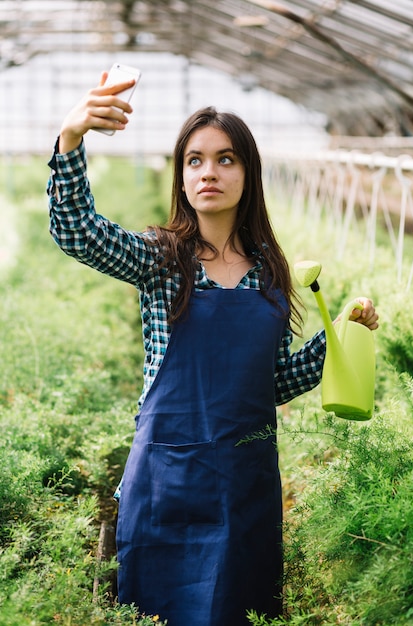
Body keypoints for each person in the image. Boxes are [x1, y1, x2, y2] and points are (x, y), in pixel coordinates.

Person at [46, 72, 379, 626]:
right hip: (165, 482)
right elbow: (78, 233)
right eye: (195, 160)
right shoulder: (161, 259)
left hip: (243, 485)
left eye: (226, 159)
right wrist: (71, 137)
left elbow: (272, 384)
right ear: (181, 176)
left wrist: (341, 334)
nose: (209, 172)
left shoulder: (269, 275)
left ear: (248, 173)